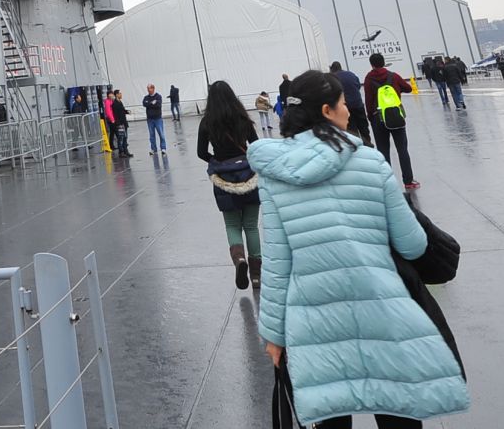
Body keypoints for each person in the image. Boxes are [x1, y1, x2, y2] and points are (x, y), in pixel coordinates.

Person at [250, 70, 470, 428]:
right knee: (399, 408)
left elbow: (277, 264)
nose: (348, 110)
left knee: (332, 415)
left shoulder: (275, 175)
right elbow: (412, 245)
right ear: (326, 110)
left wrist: (274, 336)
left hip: (316, 321)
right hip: (382, 307)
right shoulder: (369, 161)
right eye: (342, 104)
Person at [196, 80, 262, 289]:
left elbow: (201, 152)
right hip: (249, 177)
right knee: (251, 225)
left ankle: (239, 259)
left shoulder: (207, 122)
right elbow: (256, 146)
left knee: (232, 224)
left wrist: (216, 161)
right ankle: (257, 276)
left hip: (223, 179)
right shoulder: (243, 118)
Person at [363, 53, 418, 190]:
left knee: (383, 151)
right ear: (383, 62)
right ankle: (408, 181)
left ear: (371, 64)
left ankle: (388, 183)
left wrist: (371, 117)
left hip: (378, 117)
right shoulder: (393, 76)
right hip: (395, 116)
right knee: (402, 149)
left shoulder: (369, 79)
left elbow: (368, 101)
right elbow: (408, 88)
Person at [331, 60, 371, 145]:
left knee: (352, 131)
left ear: (332, 69)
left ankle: (358, 148)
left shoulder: (333, 78)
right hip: (358, 105)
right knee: (363, 128)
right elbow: (358, 86)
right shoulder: (351, 74)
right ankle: (368, 145)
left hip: (346, 108)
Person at [102, 90, 131, 157]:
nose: (121, 95)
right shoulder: (113, 103)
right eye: (120, 93)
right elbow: (110, 112)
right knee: (120, 137)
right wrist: (113, 120)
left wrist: (126, 111)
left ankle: (125, 150)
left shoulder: (118, 102)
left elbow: (122, 110)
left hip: (123, 122)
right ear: (116, 95)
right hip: (118, 122)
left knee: (124, 137)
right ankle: (121, 151)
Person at [142, 84, 168, 154]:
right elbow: (144, 104)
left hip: (158, 119)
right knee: (151, 135)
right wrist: (152, 103)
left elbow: (158, 105)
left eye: (149, 89)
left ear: (153, 88)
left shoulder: (158, 96)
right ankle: (153, 149)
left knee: (161, 134)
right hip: (150, 119)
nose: (148, 90)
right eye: (147, 89)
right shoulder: (146, 97)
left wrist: (150, 104)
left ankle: (163, 148)